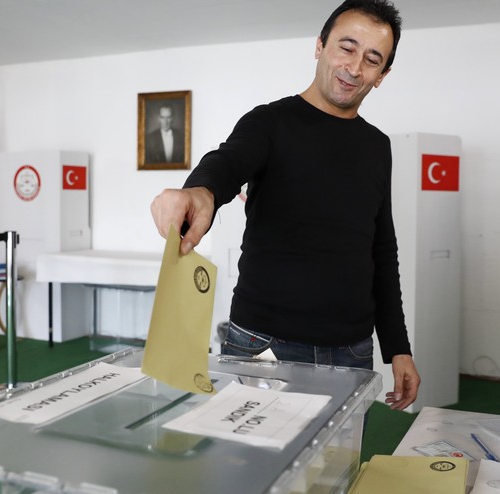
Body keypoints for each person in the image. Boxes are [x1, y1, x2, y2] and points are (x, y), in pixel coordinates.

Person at [150, 0, 420, 410]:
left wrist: (398, 348)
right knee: (249, 468)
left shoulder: (377, 146)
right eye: (346, 48)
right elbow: (226, 162)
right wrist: (200, 191)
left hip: (352, 352)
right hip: (264, 345)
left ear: (382, 75)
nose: (354, 67)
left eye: (372, 59)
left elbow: (382, 250)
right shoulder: (269, 123)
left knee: (336, 471)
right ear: (320, 45)